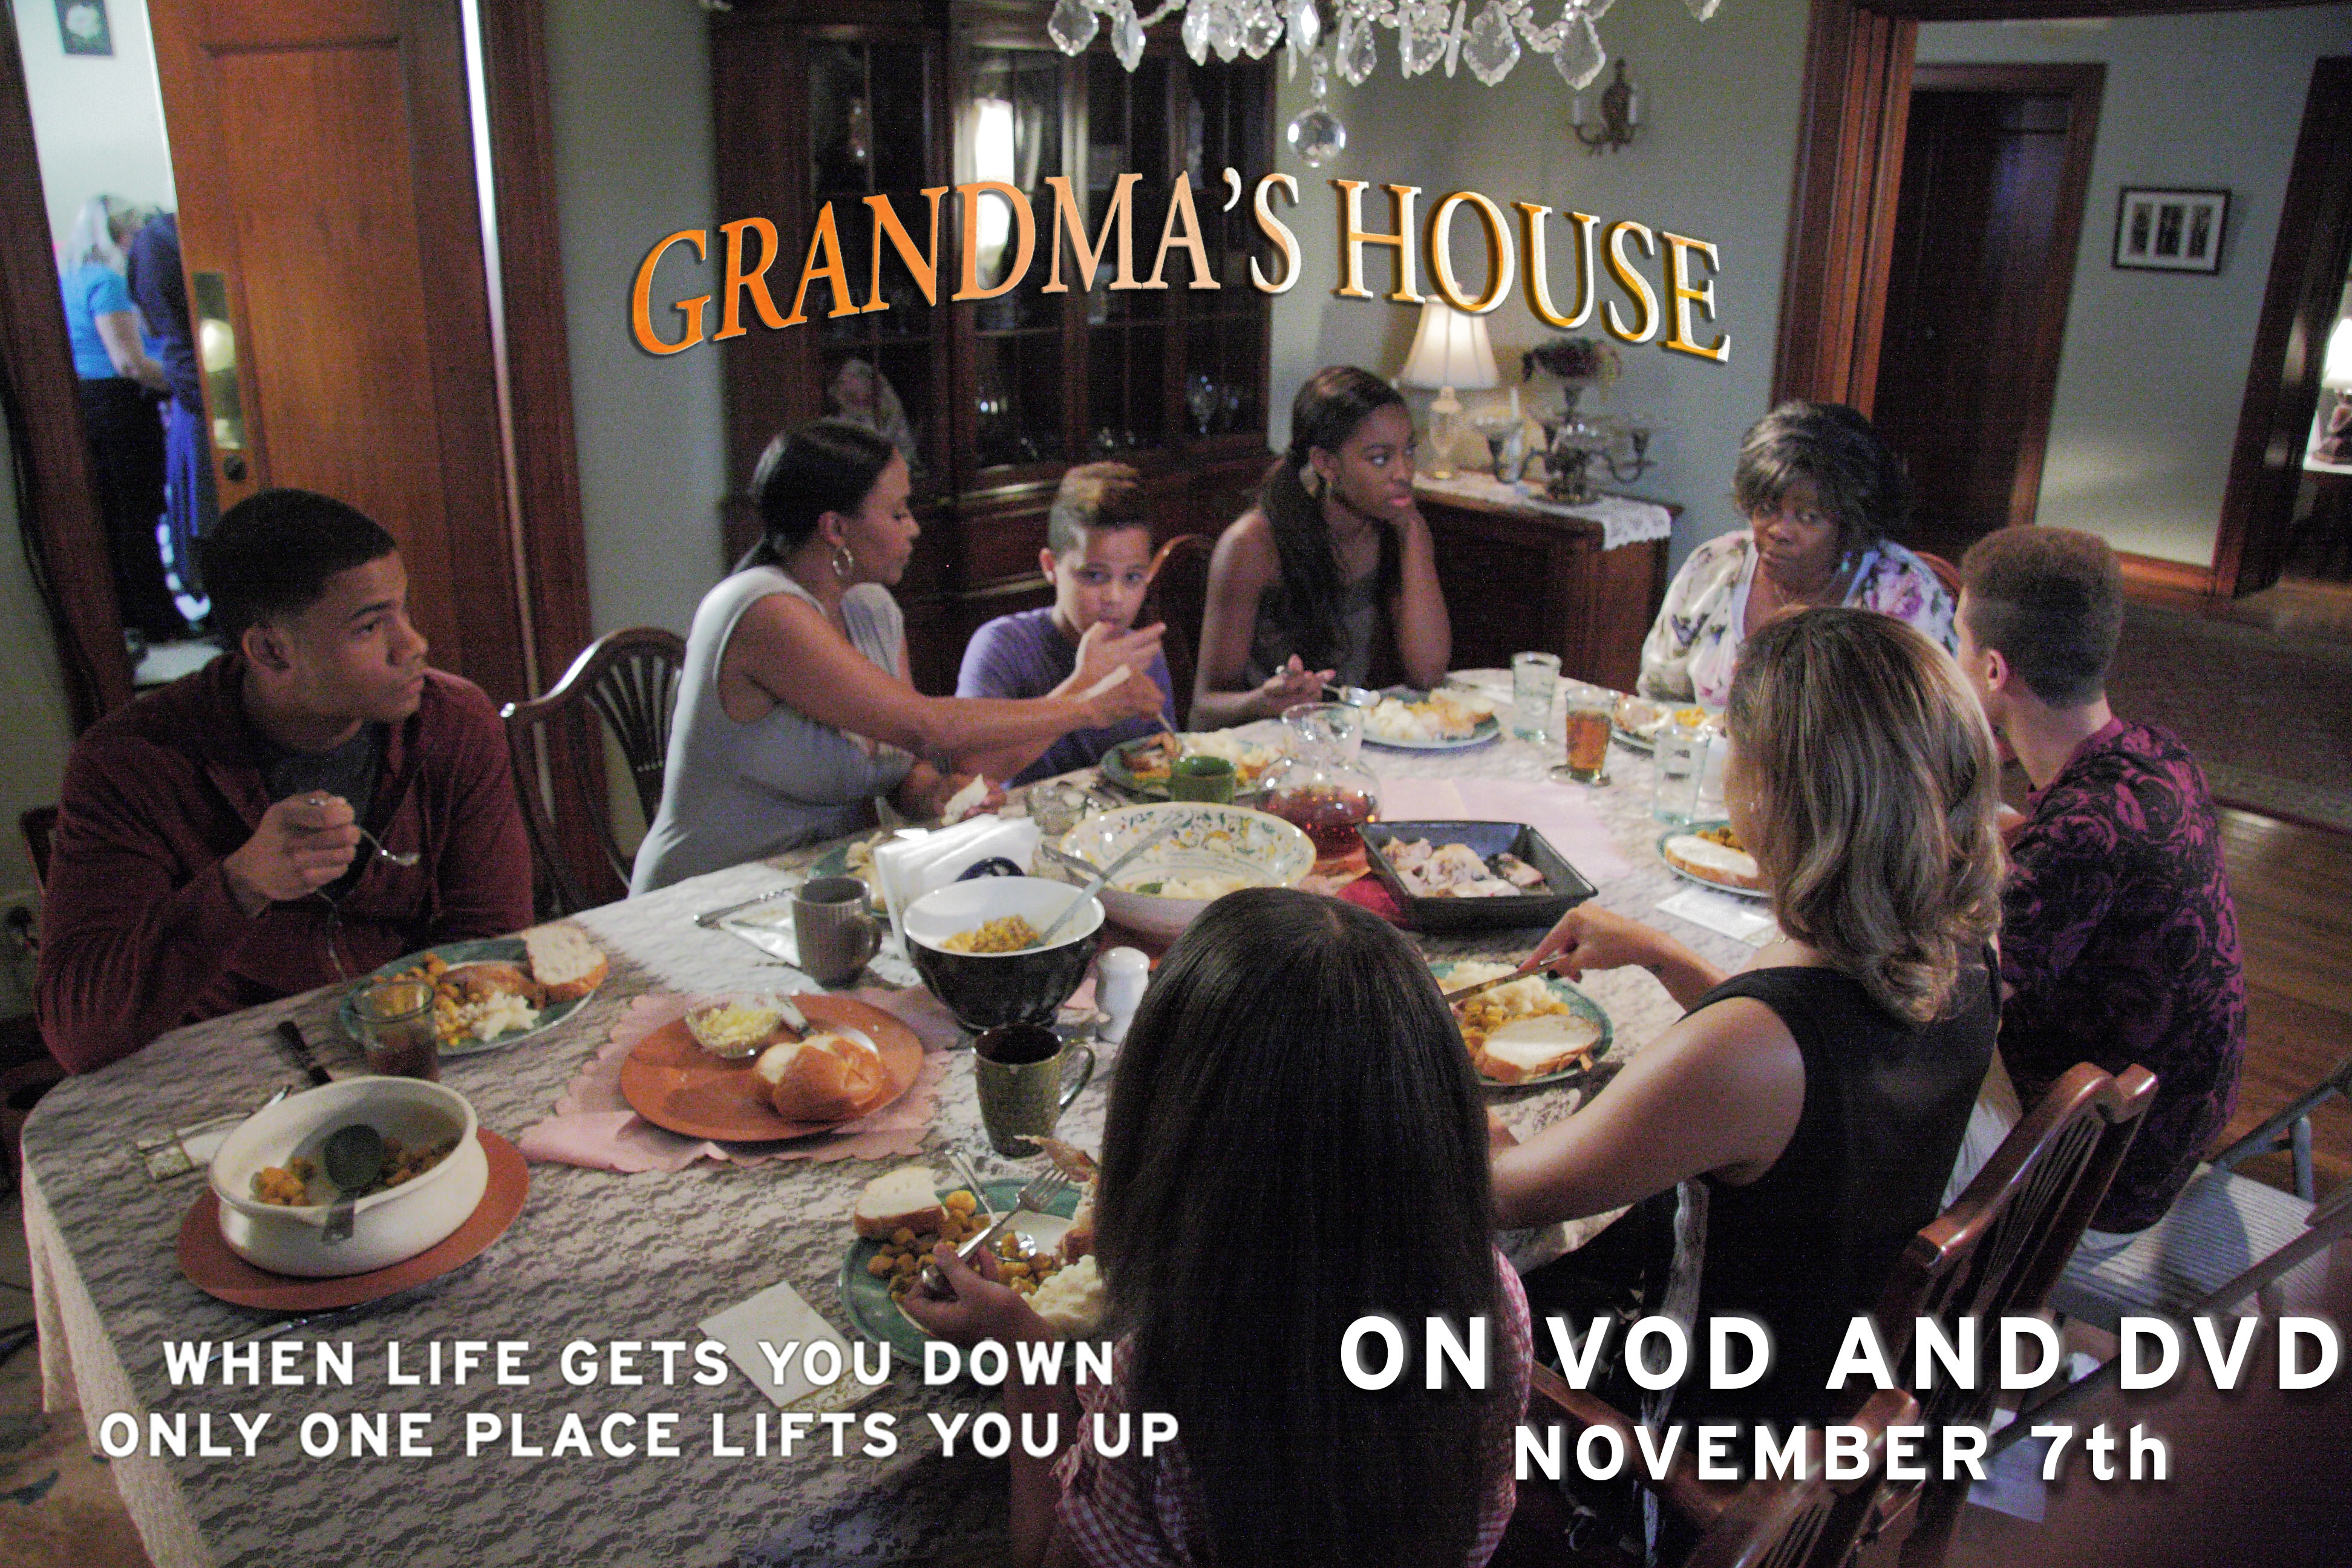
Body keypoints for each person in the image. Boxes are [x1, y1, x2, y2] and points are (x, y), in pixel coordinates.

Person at [904, 887, 1530, 1568]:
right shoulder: (1496, 1295)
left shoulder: (1161, 1396)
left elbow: (1041, 1562)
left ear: (1163, 1141)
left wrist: (1023, 1348)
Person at [1495, 608, 2004, 1429]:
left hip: (1699, 1434)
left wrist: (1444, 1081)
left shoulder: (1750, 1049)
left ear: (1777, 800)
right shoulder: (1966, 951)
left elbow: (1508, 1195)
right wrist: (1663, 955)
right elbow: (1798, 1084)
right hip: (1829, 1364)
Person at [36, 489, 534, 1074]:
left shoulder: (453, 720)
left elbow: (489, 933)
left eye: (404, 611)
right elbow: (78, 1035)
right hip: (237, 1066)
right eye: (370, 627)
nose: (414, 645)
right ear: (271, 650)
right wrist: (241, 885)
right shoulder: (132, 762)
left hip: (416, 1044)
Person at [632, 420, 1164, 893]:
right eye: (898, 512)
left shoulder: (872, 608)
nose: (914, 527)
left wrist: (936, 794)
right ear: (836, 529)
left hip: (824, 889)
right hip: (705, 895)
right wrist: (1088, 704)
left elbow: (906, 764)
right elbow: (926, 727)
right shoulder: (762, 609)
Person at [1952, 526, 2246, 1236]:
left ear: (1993, 670)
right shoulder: (2157, 753)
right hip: (2178, 1116)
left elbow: (1949, 1004)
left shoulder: (2082, 837)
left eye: (1956, 641)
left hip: (2108, 1169)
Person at [1638, 400, 1956, 710]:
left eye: (1807, 517)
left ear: (1851, 526)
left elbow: (1928, 731)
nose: (1779, 530)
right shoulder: (1713, 567)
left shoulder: (1904, 592)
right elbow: (1658, 698)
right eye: (1767, 508)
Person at [1191, 365, 1450, 728]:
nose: (1404, 473)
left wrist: (1413, 533)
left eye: (1409, 451)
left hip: (1348, 738)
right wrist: (1262, 702)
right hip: (1265, 744)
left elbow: (1429, 673)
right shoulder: (1252, 544)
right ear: (1325, 463)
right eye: (1380, 458)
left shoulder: (1396, 527)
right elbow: (1204, 708)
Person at [955, 461, 1174, 786]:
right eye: (1094, 576)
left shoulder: (1142, 655)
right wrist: (1085, 681)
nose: (1115, 598)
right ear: (1050, 566)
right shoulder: (1001, 646)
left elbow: (1165, 757)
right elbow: (967, 771)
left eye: (1133, 578)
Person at [57, 194, 182, 644]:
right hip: (120, 407)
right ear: (121, 236)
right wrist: (190, 380)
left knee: (111, 516)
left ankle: (130, 616)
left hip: (86, 404)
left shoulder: (68, 277)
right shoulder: (108, 283)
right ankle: (160, 619)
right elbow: (129, 362)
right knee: (139, 515)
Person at [125, 207, 215, 624]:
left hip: (187, 382)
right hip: (202, 383)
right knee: (215, 516)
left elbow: (151, 322)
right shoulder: (165, 238)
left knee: (204, 516)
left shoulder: (150, 243)